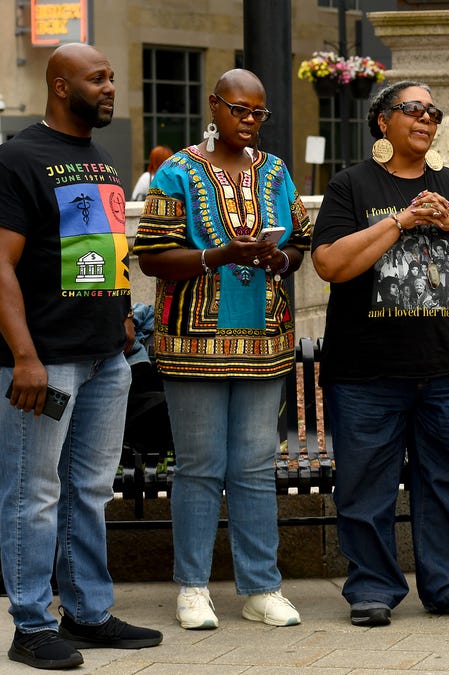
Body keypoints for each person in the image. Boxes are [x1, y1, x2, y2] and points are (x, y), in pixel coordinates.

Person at [312, 80, 449, 627]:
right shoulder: (350, 186)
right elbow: (329, 264)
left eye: (432, 112)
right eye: (412, 109)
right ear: (383, 121)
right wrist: (399, 221)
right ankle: (372, 589)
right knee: (365, 484)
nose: (425, 118)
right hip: (367, 371)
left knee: (448, 481)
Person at [0, 43, 162, 670]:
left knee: (89, 490)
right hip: (46, 361)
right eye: (97, 79)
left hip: (105, 357)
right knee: (31, 494)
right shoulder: (17, 159)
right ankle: (32, 624)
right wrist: (23, 355)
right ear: (61, 85)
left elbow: (104, 248)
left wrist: (121, 314)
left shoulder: (100, 161)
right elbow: (2, 267)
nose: (110, 87)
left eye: (112, 78)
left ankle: (88, 612)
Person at [134, 69, 309, 631]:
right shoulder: (177, 171)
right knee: (200, 467)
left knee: (257, 467)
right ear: (215, 106)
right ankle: (192, 587)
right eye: (239, 110)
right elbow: (153, 256)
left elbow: (298, 244)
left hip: (263, 339)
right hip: (192, 343)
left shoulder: (275, 170)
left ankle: (261, 588)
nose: (250, 121)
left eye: (259, 112)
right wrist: (218, 255)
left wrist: (278, 258)